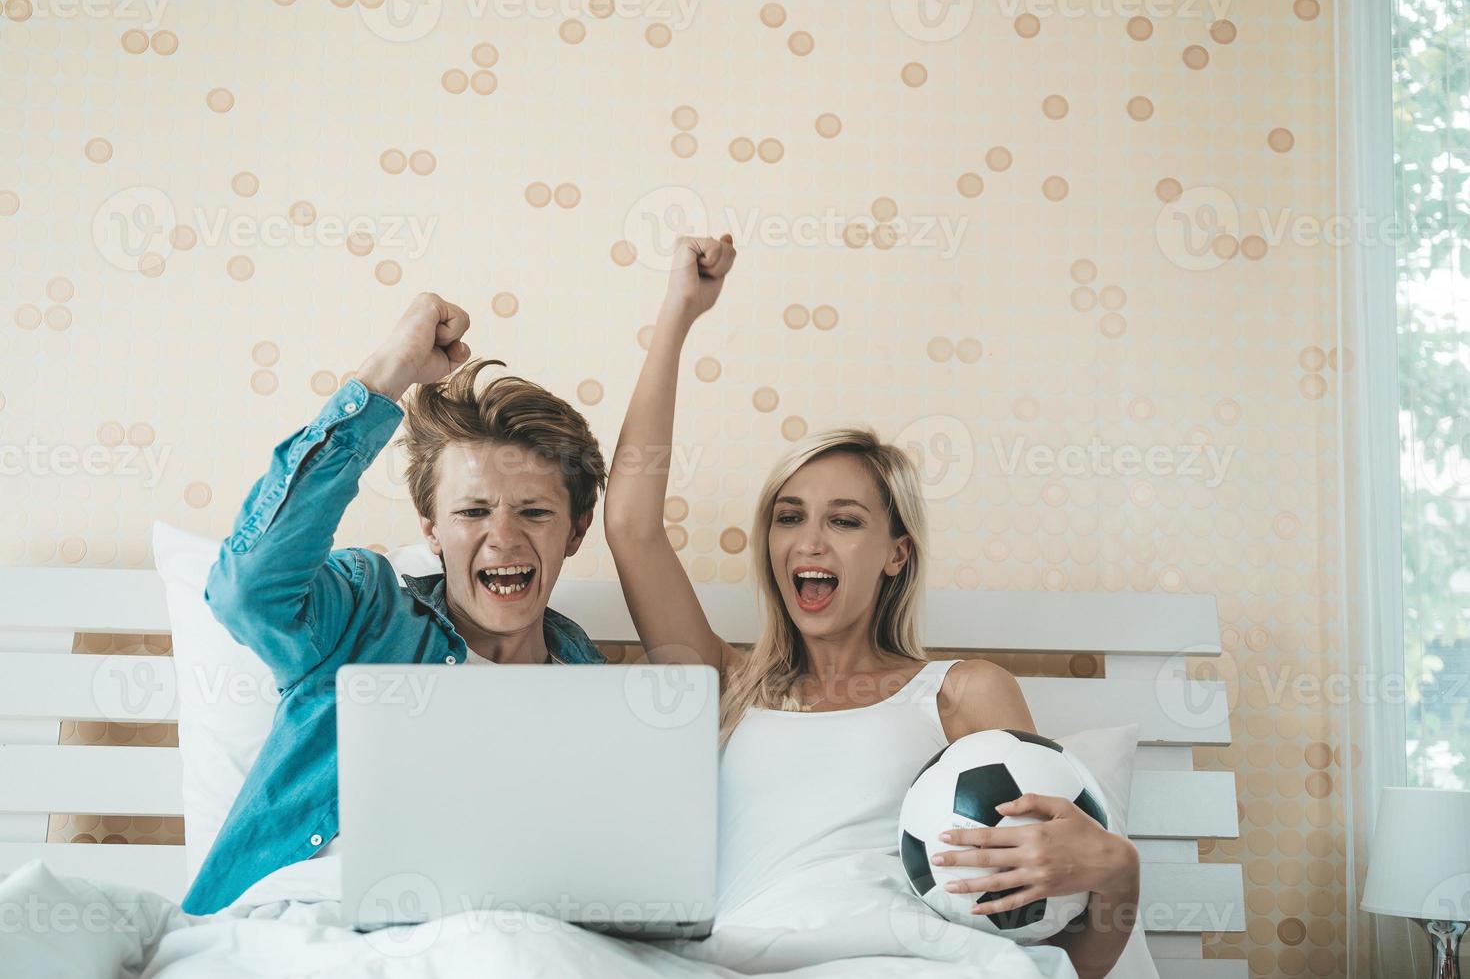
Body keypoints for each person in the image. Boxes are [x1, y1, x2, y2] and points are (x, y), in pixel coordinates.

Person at [603, 236, 1141, 979]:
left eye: (845, 520)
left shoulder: (961, 691)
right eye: (788, 517)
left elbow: (1050, 936)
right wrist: (679, 313)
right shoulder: (725, 682)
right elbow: (630, 525)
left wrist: (1120, 876)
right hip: (731, 964)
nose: (808, 542)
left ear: (897, 552)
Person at [182, 293, 608, 914]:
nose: (505, 538)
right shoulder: (364, 617)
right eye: (472, 511)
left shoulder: (594, 699)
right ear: (432, 529)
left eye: (535, 512)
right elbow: (249, 588)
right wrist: (388, 374)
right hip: (293, 932)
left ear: (575, 530)